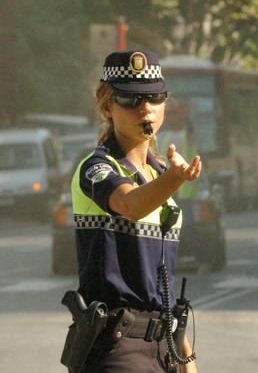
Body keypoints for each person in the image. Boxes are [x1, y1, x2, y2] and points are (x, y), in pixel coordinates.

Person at [68, 50, 201, 373]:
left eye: (154, 96)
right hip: (119, 348)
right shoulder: (96, 168)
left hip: (164, 345)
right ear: (107, 106)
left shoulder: (157, 172)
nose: (145, 108)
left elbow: (162, 288)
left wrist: (186, 361)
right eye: (129, 99)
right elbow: (131, 205)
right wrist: (174, 179)